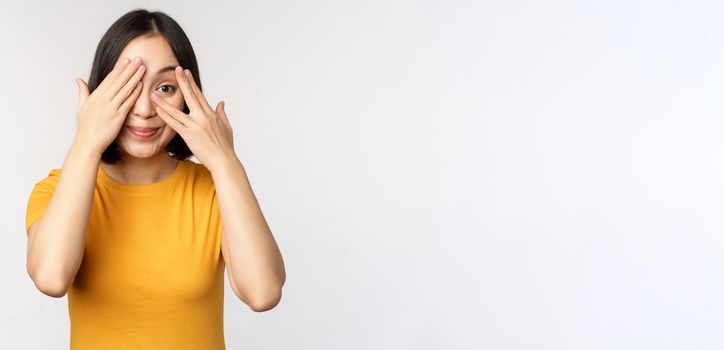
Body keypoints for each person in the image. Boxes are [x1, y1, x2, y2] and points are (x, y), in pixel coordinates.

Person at [24, 8, 286, 349]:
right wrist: (87, 141)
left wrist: (225, 161)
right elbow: (51, 277)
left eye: (165, 87)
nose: (145, 109)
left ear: (189, 96)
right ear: (102, 89)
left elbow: (263, 292)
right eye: (128, 85)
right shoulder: (58, 190)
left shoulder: (212, 190)